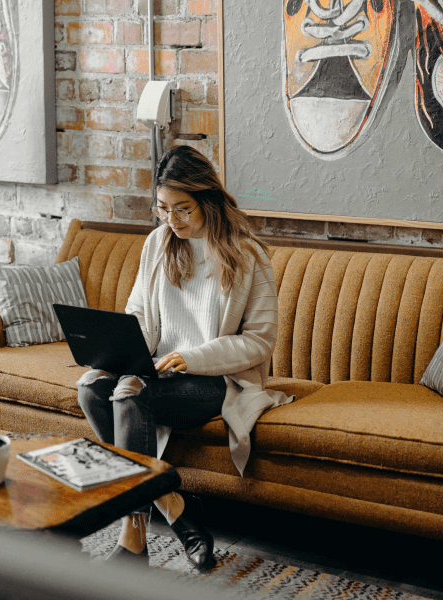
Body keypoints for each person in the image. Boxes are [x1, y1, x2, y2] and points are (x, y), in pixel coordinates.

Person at [76, 145, 292, 569]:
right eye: (162, 209)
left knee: (129, 395)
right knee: (92, 387)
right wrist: (117, 353)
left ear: (208, 201)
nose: (171, 221)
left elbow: (259, 342)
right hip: (156, 368)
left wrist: (191, 357)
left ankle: (133, 538)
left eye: (182, 210)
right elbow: (138, 312)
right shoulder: (158, 243)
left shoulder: (247, 255)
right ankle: (175, 505)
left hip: (215, 379)